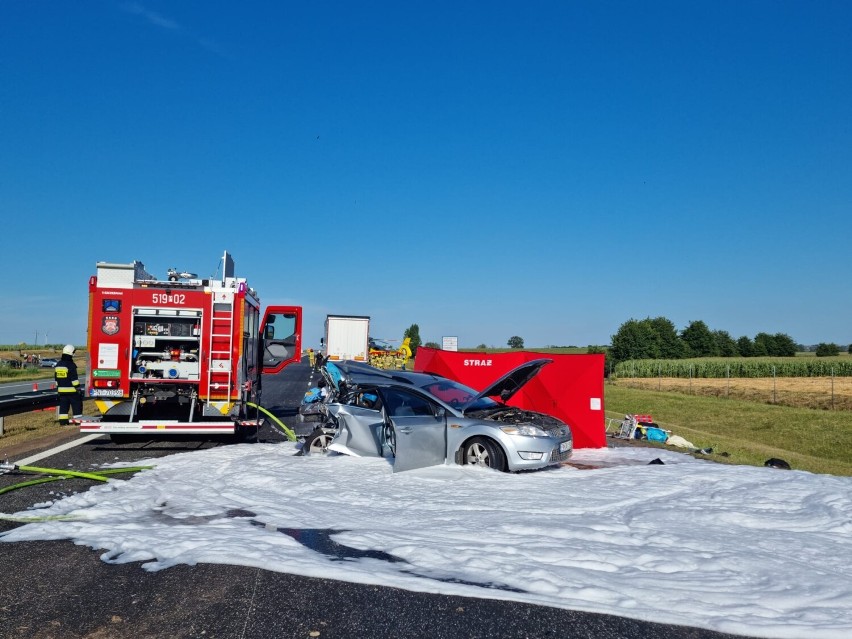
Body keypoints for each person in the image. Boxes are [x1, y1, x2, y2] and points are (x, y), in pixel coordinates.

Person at [55, 344, 83, 425]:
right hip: (72, 391)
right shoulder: (71, 365)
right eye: (73, 352)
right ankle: (78, 421)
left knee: (63, 407)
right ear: (70, 353)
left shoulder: (58, 364)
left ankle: (63, 422)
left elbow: (56, 379)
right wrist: (78, 389)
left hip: (61, 391)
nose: (74, 354)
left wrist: (58, 388)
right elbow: (74, 379)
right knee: (76, 406)